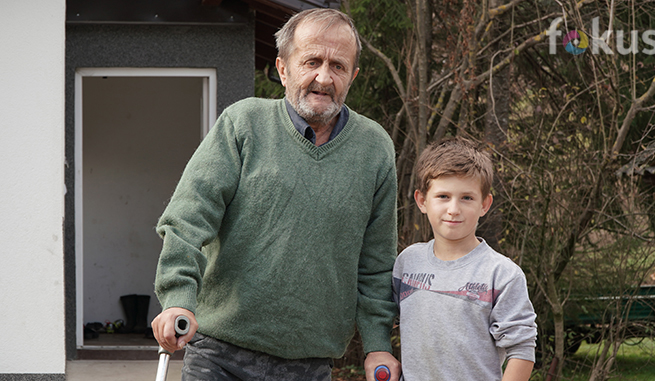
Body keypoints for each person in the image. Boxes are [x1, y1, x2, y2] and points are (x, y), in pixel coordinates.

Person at [151, 8, 401, 381]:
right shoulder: (243, 124)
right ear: (283, 69)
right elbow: (188, 219)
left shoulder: (375, 148)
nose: (323, 77)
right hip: (218, 354)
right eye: (311, 61)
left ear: (353, 76)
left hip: (310, 362)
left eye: (338, 66)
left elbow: (377, 261)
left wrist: (378, 343)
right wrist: (177, 298)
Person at [393, 137, 537, 381]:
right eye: (443, 196)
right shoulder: (408, 261)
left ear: (485, 204)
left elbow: (521, 349)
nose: (454, 209)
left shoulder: (502, 274)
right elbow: (386, 317)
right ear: (421, 201)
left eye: (467, 198)